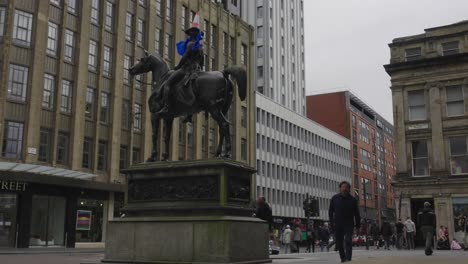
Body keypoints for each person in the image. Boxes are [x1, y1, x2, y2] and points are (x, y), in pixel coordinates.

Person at [157, 12, 204, 116]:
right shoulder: (200, 47)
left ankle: (166, 107)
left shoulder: (190, 44)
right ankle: (189, 114)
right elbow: (202, 61)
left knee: (168, 84)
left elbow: (185, 57)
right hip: (197, 70)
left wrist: (178, 66)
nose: (189, 35)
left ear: (191, 34)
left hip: (187, 69)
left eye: (190, 33)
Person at [329, 181, 361, 263]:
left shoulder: (353, 200)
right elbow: (330, 212)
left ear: (349, 189)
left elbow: (357, 214)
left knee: (348, 241)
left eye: (346, 187)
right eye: (342, 187)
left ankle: (348, 258)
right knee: (339, 243)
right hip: (338, 224)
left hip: (349, 224)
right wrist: (331, 222)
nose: (344, 189)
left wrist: (358, 226)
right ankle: (343, 258)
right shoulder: (334, 198)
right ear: (340, 188)